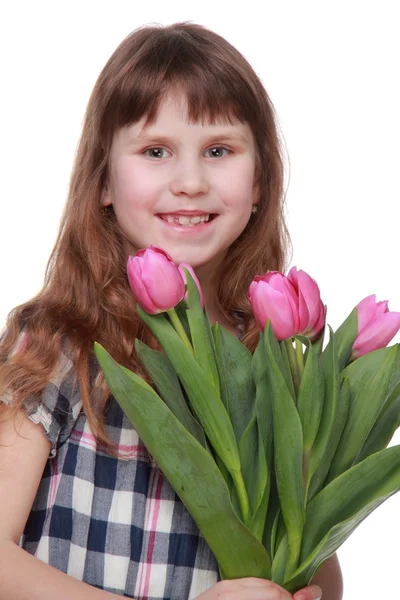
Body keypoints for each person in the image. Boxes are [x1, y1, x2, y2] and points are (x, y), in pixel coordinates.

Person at [0, 22, 342, 600]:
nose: (190, 181)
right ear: (103, 179)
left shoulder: (274, 360)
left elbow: (308, 560)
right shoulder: (59, 340)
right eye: (155, 151)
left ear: (259, 182)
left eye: (219, 151)